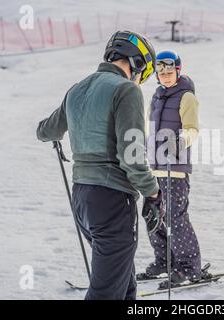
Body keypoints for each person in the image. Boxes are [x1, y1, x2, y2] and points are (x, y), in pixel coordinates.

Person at [36, 30, 161, 300]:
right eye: (143, 73)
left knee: (123, 285)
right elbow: (131, 154)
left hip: (82, 200)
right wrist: (153, 192)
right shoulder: (126, 90)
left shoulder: (77, 89)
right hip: (112, 201)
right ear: (137, 63)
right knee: (106, 293)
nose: (140, 80)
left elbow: (47, 130)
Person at [139, 50, 202, 288]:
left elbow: (192, 129)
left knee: (175, 218)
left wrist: (179, 141)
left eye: (169, 71)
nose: (165, 76)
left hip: (174, 169)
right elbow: (151, 129)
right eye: (161, 72)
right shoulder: (156, 97)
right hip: (154, 169)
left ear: (178, 70)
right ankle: (164, 262)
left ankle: (189, 267)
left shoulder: (186, 97)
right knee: (152, 217)